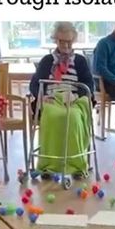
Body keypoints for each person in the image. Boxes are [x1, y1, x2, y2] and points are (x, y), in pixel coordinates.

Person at [29, 22, 95, 178]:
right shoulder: (47, 60)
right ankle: (49, 165)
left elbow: (89, 84)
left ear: (74, 41)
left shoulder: (80, 60)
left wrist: (75, 95)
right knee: (53, 116)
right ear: (56, 41)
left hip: (74, 99)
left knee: (72, 117)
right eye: (61, 41)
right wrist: (42, 96)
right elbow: (34, 84)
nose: (65, 45)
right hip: (52, 99)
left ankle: (75, 165)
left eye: (69, 42)